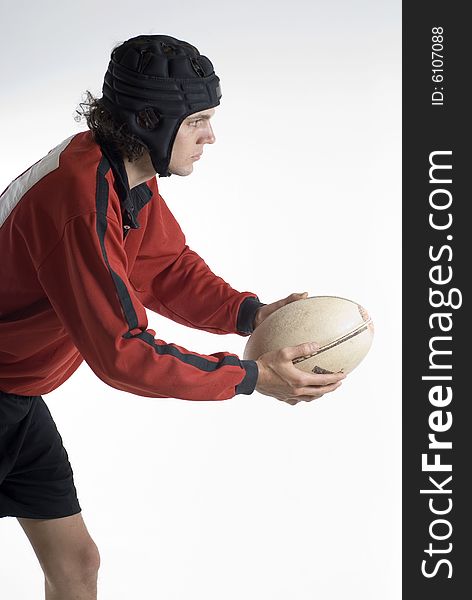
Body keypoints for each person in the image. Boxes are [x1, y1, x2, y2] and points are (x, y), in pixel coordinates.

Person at [0, 34, 345, 599]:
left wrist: (251, 314)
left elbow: (163, 268)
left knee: (77, 563)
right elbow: (122, 352)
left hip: (14, 395)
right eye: (199, 120)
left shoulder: (122, 175)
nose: (211, 136)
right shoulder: (76, 196)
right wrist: (251, 377)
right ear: (150, 119)